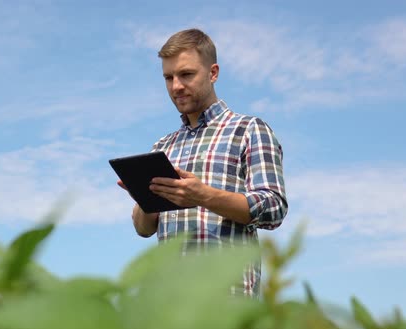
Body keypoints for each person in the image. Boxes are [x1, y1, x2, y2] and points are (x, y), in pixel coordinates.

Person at [117, 28, 288, 297]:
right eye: (168, 77)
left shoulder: (249, 130)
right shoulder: (163, 147)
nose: (176, 86)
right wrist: (144, 199)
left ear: (213, 73)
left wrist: (204, 196)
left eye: (186, 74)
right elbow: (143, 229)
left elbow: (274, 208)